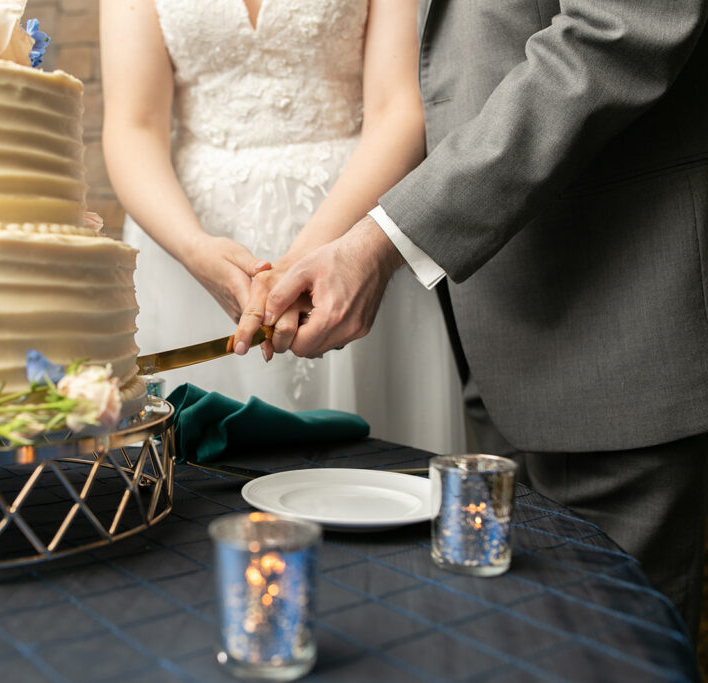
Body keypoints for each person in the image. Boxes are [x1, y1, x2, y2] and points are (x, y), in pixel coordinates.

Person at [234, 0, 708, 638]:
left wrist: (383, 243)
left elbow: (619, 31)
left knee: (608, 650)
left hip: (617, 324)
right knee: (506, 644)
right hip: (487, 337)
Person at [99, 0, 465, 454]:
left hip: (352, 225)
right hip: (184, 242)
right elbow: (133, 124)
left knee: (373, 472)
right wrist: (193, 247)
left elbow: (398, 110)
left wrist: (303, 260)